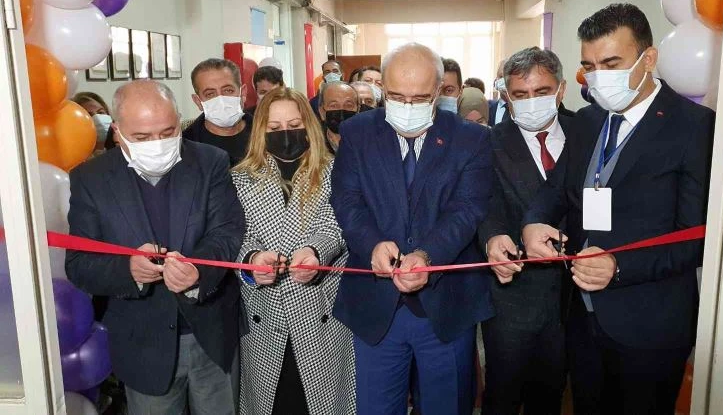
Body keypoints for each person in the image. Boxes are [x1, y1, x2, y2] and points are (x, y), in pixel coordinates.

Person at [521, 3, 715, 415]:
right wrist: (534, 221)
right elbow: (557, 190)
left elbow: (696, 236)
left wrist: (619, 266)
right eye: (589, 67)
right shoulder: (588, 121)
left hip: (650, 323)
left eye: (611, 64)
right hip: (584, 316)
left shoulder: (694, 126)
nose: (598, 77)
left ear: (649, 58)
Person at [331, 42, 494, 415]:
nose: (406, 106)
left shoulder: (472, 138)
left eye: (419, 98)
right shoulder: (357, 133)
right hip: (377, 306)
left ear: (439, 91)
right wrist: (372, 244)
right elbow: (347, 200)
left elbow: (467, 209)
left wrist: (426, 255)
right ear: (382, 90)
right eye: (395, 96)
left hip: (446, 304)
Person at [65, 80, 245, 415]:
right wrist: (129, 270)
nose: (158, 144)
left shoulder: (211, 162)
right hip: (142, 344)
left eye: (167, 132)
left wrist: (198, 271)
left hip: (211, 335)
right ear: (117, 132)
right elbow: (79, 264)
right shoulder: (90, 178)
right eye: (142, 137)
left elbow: (227, 232)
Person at [232, 87, 356, 415]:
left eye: (294, 124)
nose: (285, 134)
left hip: (320, 312)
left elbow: (336, 226)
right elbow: (236, 236)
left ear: (309, 126)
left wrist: (315, 252)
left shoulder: (335, 171)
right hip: (264, 313)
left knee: (321, 403)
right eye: (274, 128)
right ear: (261, 131)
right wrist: (252, 260)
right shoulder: (240, 179)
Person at [478, 47, 575, 415]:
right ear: (506, 96)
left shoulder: (587, 132)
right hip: (513, 297)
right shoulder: (488, 143)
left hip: (575, 298)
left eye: (541, 91)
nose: (531, 102)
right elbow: (483, 203)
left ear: (561, 89)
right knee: (502, 396)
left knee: (552, 397)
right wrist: (492, 237)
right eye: (520, 94)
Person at [183, 58, 253, 167]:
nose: (221, 100)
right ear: (198, 101)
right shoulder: (185, 147)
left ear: (243, 93)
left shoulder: (265, 132)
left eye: (228, 90)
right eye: (210, 94)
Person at [319, 81, 360, 153]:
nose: (341, 110)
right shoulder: (313, 147)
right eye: (334, 106)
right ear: (322, 112)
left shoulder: (370, 144)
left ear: (358, 110)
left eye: (348, 105)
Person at [488, 60, 509, 127]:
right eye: (501, 76)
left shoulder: (524, 110)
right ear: (495, 81)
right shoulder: (488, 109)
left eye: (508, 76)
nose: (505, 80)